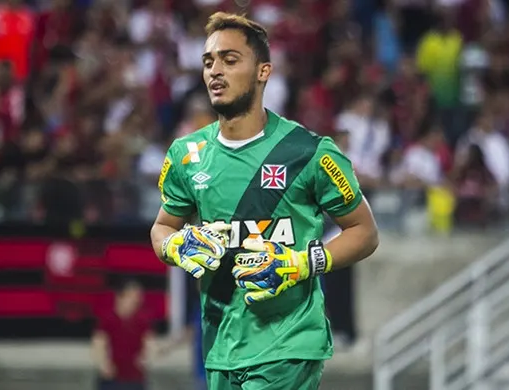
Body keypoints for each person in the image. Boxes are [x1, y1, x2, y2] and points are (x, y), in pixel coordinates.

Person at [149, 12, 379, 390]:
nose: (215, 71)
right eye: (208, 62)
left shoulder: (308, 151)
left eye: (230, 59)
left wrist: (304, 262)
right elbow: (162, 228)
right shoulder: (186, 154)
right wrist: (176, 245)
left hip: (287, 344)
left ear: (263, 71)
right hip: (220, 344)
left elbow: (365, 231)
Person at [91, 280, 152, 390]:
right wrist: (103, 363)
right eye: (132, 297)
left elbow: (148, 341)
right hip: (112, 376)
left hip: (135, 377)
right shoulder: (108, 319)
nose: (136, 301)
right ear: (120, 297)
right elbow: (99, 342)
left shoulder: (142, 320)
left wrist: (145, 357)